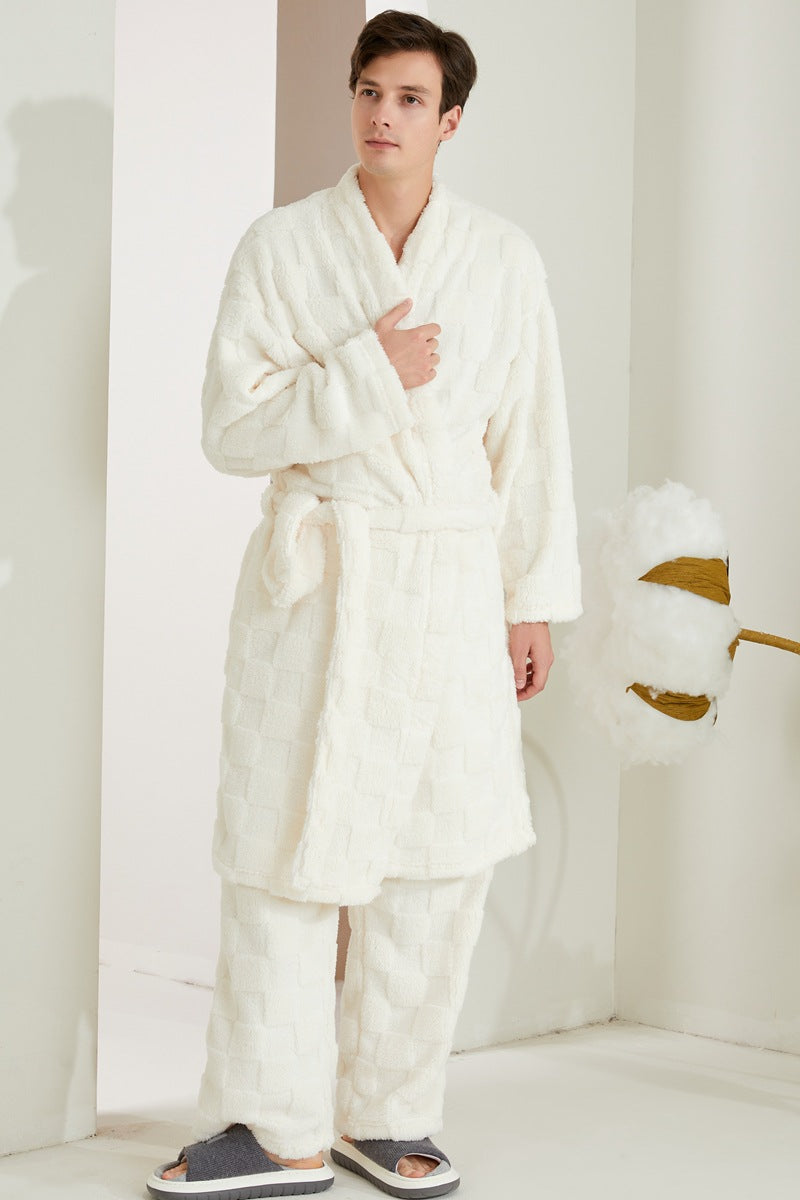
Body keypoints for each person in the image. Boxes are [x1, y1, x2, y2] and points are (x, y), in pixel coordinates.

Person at [146, 9, 581, 1199]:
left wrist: (530, 601)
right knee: (280, 849)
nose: (382, 116)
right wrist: (365, 377)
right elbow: (230, 429)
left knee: (434, 860)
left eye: (408, 98)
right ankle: (265, 1124)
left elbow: (530, 441)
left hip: (447, 580)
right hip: (322, 581)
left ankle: (389, 1116)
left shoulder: (501, 261)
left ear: (450, 120)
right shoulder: (281, 248)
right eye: (368, 92)